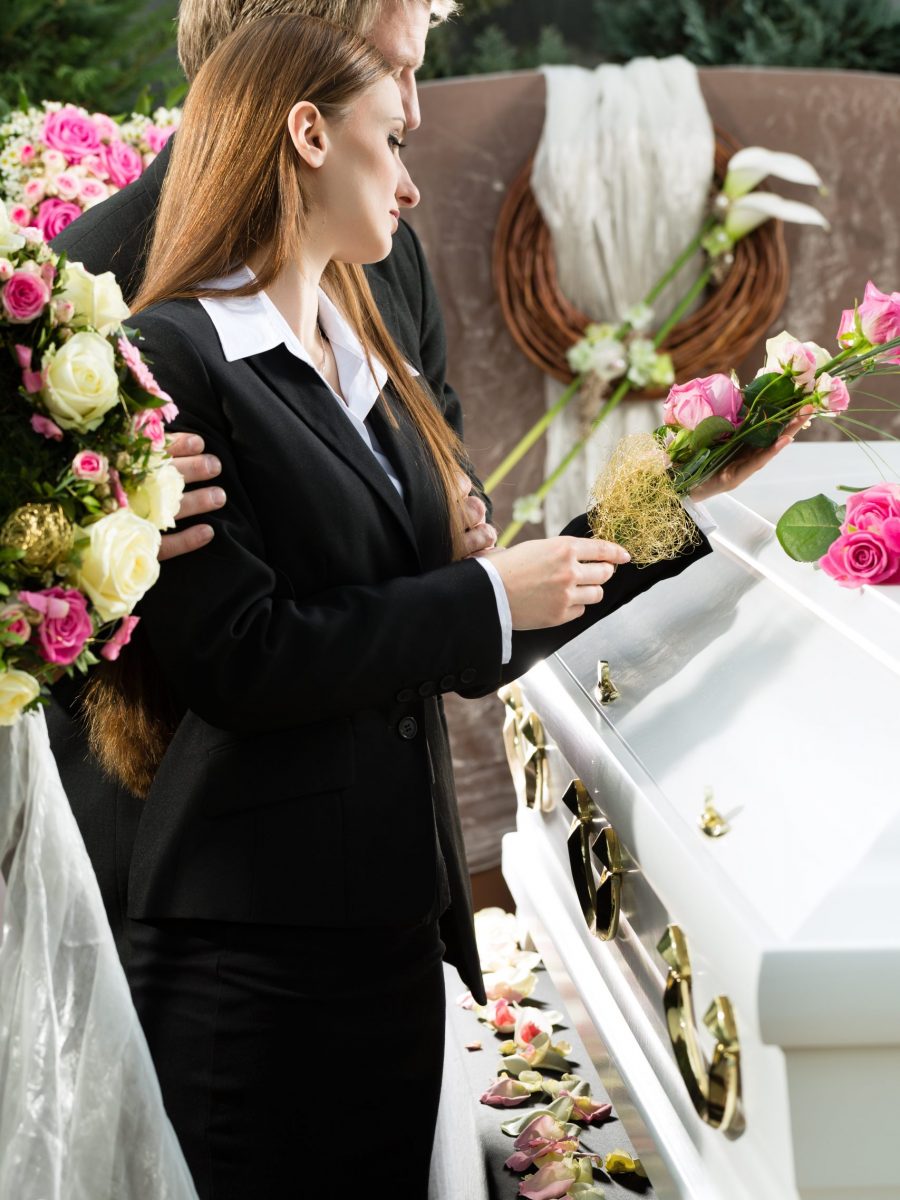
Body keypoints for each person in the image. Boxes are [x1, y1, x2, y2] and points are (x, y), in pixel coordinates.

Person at [81, 14, 804, 1196]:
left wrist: (673, 489)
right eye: (391, 138)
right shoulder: (172, 357)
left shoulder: (360, 349)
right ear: (307, 133)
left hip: (387, 939)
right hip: (249, 955)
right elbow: (241, 660)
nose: (414, 187)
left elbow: (465, 631)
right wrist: (475, 593)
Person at [48, 0, 496, 967]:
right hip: (181, 881)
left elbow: (445, 461)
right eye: (391, 79)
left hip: (377, 860)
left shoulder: (390, 255)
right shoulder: (93, 270)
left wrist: (463, 518)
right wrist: (86, 523)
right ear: (300, 91)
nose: (414, 108)